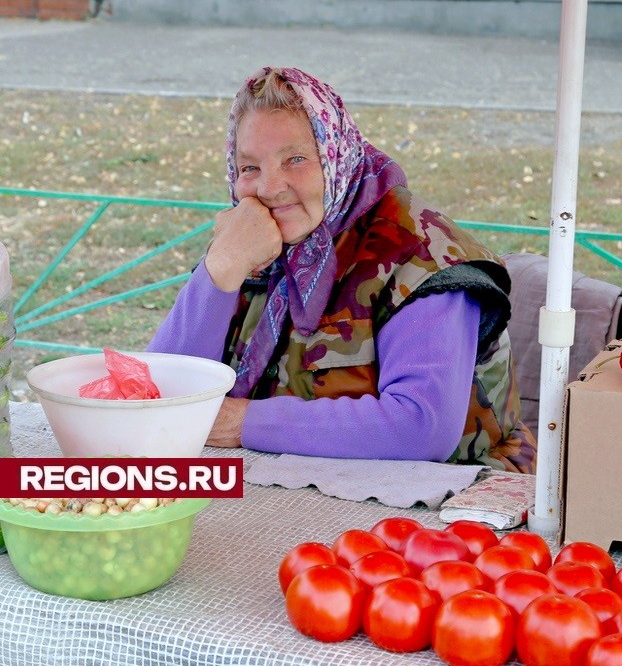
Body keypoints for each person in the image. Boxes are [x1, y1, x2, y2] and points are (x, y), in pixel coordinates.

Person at [148, 66, 536, 473]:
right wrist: (220, 270)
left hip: (450, 504)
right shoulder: (249, 241)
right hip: (285, 481)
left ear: (335, 154)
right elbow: (153, 395)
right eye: (250, 168)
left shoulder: (421, 257)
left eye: (295, 159)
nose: (269, 187)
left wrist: (243, 422)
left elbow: (421, 427)